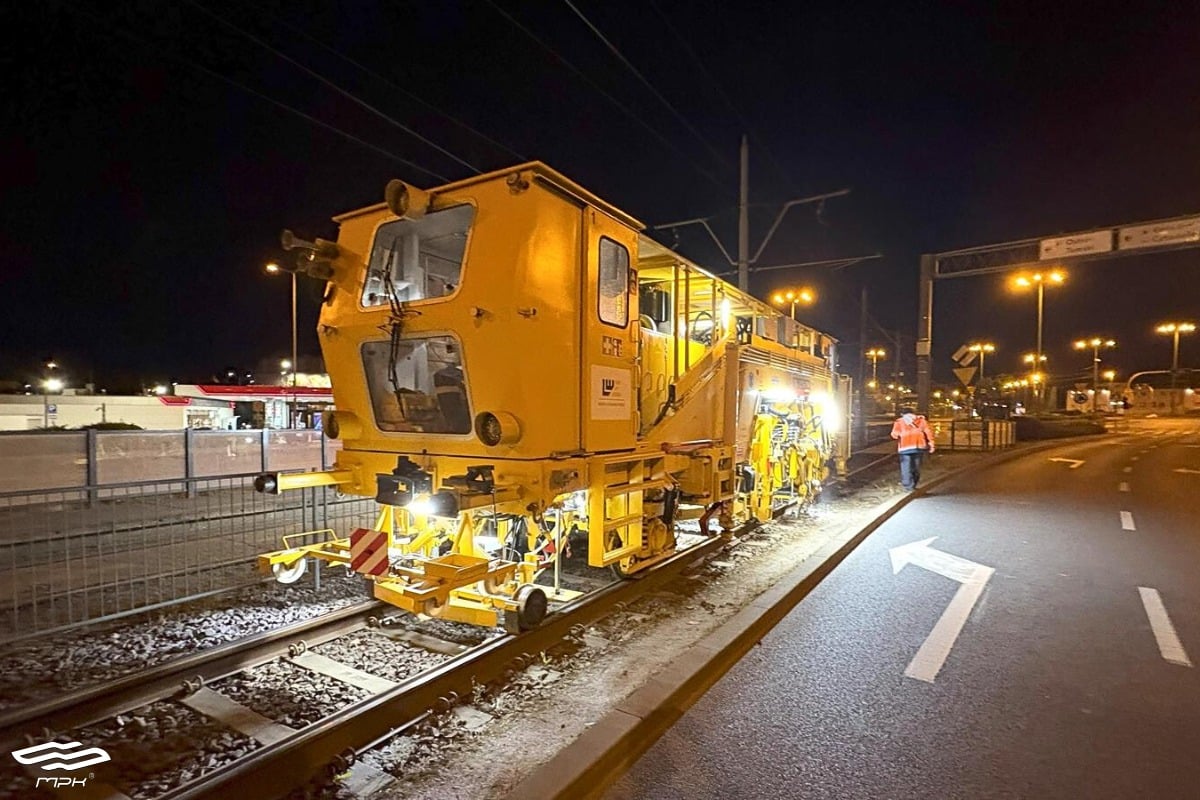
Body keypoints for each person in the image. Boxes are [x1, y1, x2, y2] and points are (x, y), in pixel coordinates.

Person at [890, 406, 935, 491]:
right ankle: (914, 483)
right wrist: (931, 444)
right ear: (914, 413)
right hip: (918, 447)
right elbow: (929, 432)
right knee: (916, 467)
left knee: (906, 467)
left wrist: (899, 434)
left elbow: (894, 434)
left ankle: (908, 486)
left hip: (904, 448)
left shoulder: (899, 422)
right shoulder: (921, 420)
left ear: (903, 414)